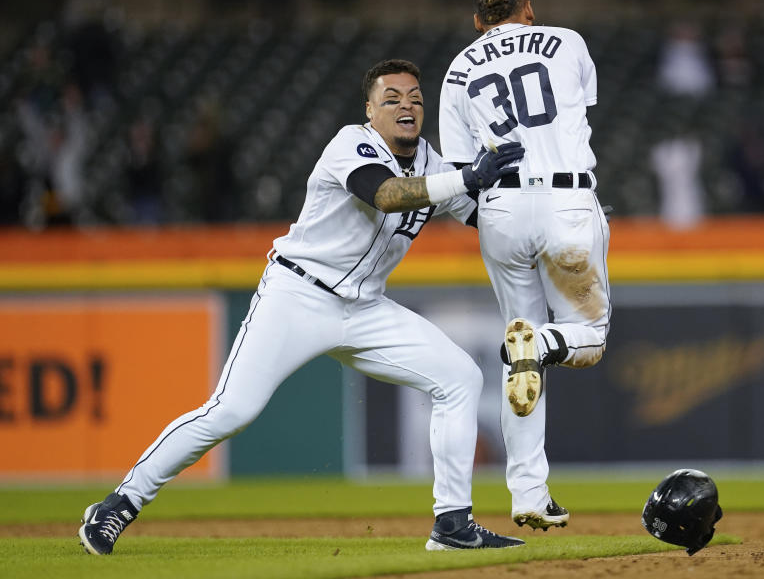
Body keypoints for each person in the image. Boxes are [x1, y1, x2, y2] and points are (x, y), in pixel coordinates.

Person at [78, 59, 526, 555]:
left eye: (416, 98)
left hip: (367, 308)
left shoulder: (432, 164)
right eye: (392, 97)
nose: (407, 106)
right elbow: (385, 194)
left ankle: (452, 525)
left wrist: (553, 215)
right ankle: (119, 503)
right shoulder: (350, 144)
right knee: (231, 411)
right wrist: (467, 178)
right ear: (370, 110)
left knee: (460, 378)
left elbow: (484, 216)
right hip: (298, 296)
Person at [438, 0, 611, 531]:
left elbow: (458, 175)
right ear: (527, 8)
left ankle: (528, 495)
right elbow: (577, 114)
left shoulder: (458, 69)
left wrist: (489, 223)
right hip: (566, 200)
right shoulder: (568, 42)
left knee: (520, 355)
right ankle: (540, 343)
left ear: (476, 20)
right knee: (586, 337)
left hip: (501, 210)